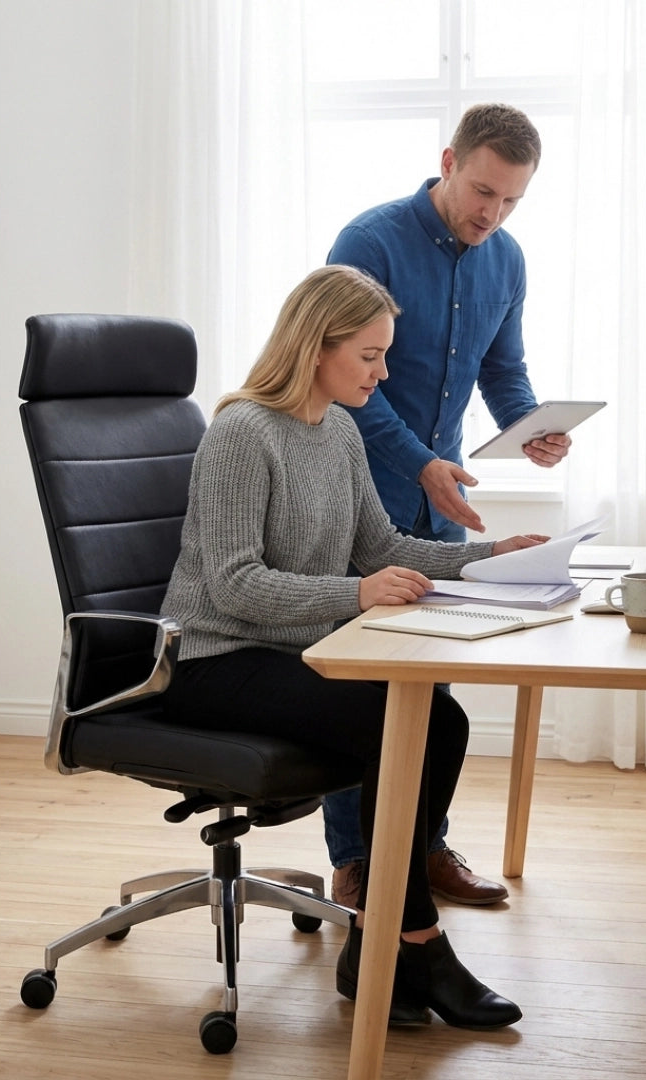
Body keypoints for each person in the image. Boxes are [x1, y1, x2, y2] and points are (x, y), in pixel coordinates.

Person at [159, 264, 546, 1029]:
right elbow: (235, 586)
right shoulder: (241, 434)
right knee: (390, 725)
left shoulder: (335, 429)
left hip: (283, 650)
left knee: (444, 718)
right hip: (211, 660)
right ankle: (419, 941)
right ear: (315, 346)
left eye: (384, 353)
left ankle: (375, 939)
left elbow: (379, 543)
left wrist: (494, 556)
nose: (385, 370)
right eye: (369, 354)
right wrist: (357, 595)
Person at [322, 103, 573, 909]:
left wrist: (529, 426)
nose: (490, 213)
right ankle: (359, 862)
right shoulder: (371, 243)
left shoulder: (507, 260)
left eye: (510, 202)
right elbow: (342, 381)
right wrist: (421, 462)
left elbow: (504, 367)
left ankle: (422, 847)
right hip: (358, 489)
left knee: (433, 681)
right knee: (364, 685)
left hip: (438, 498)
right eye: (482, 190)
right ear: (448, 161)